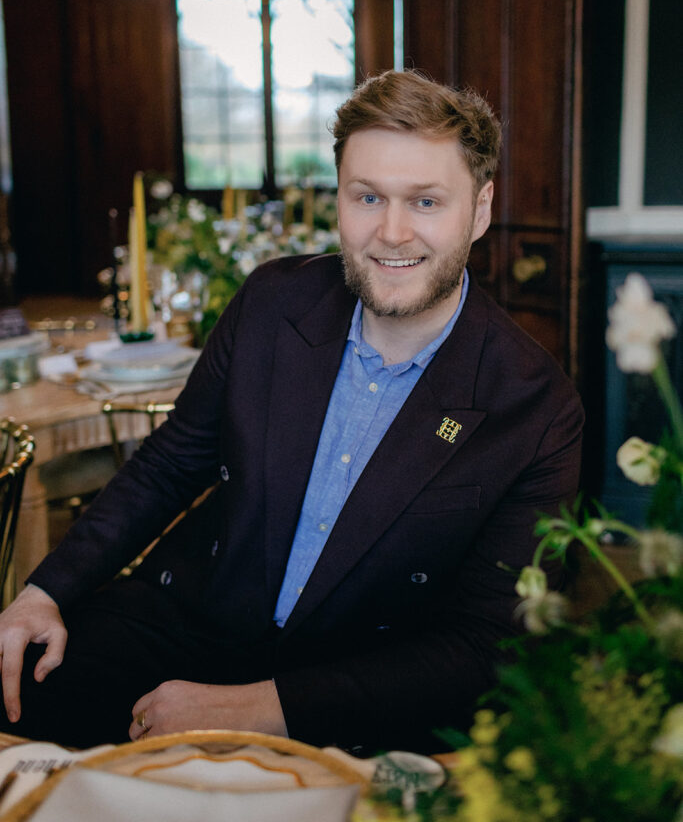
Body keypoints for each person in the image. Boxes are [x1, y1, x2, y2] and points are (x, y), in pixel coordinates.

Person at [0, 70, 583, 753]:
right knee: (19, 693)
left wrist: (261, 709)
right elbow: (167, 466)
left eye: (425, 202)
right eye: (367, 197)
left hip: (359, 675)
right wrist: (45, 590)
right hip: (194, 614)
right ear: (337, 198)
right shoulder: (273, 302)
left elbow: (489, 644)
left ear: (479, 210)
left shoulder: (536, 406)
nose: (392, 233)